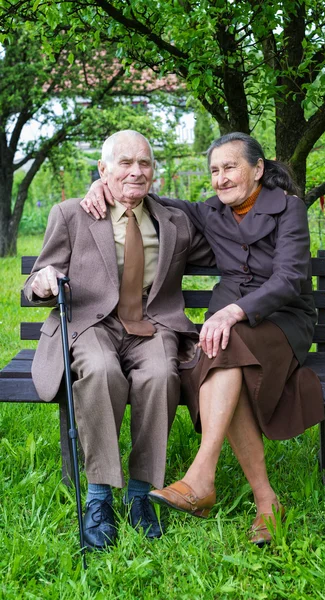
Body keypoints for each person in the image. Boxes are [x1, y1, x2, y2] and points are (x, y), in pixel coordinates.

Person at [81, 132, 324, 547]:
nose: (221, 178)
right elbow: (144, 197)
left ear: (258, 169)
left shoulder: (289, 209)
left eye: (230, 167)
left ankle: (201, 476)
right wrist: (100, 184)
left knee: (218, 347)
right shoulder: (210, 212)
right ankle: (267, 503)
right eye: (215, 170)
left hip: (281, 320)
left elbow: (291, 278)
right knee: (217, 351)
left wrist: (234, 312)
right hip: (227, 326)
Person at [24, 130, 213, 550]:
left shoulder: (173, 220)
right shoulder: (72, 213)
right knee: (101, 369)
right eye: (124, 163)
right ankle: (98, 496)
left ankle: (141, 492)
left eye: (144, 163)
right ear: (102, 169)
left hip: (151, 325)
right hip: (91, 323)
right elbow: (35, 280)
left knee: (162, 373)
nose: (136, 171)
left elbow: (223, 226)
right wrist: (44, 281)